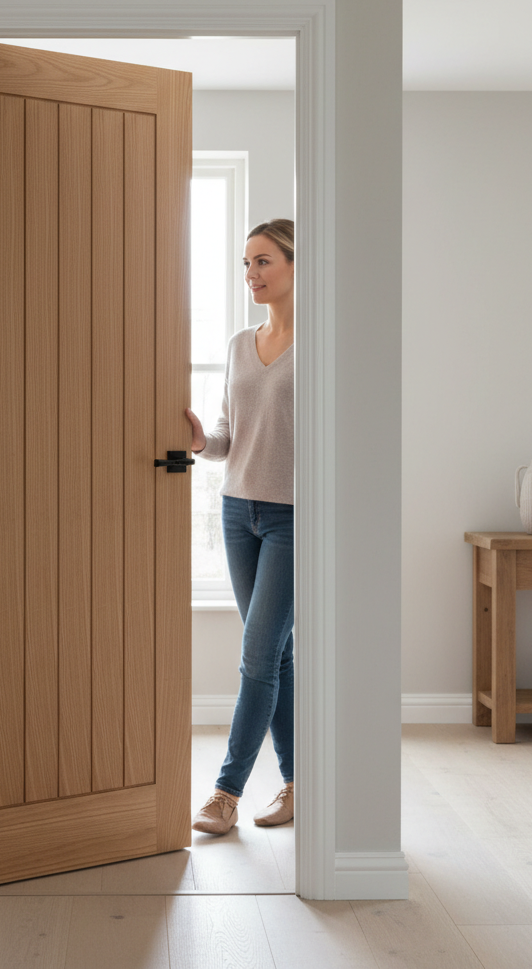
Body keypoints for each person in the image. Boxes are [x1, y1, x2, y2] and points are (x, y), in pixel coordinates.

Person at [185, 218, 295, 835]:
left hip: (291, 517)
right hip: (237, 511)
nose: (251, 274)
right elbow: (229, 439)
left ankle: (225, 794)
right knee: (277, 655)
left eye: (263, 262)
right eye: (246, 264)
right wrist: (203, 440)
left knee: (258, 655)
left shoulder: (320, 343)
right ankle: (297, 782)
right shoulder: (236, 344)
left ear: (293, 265)